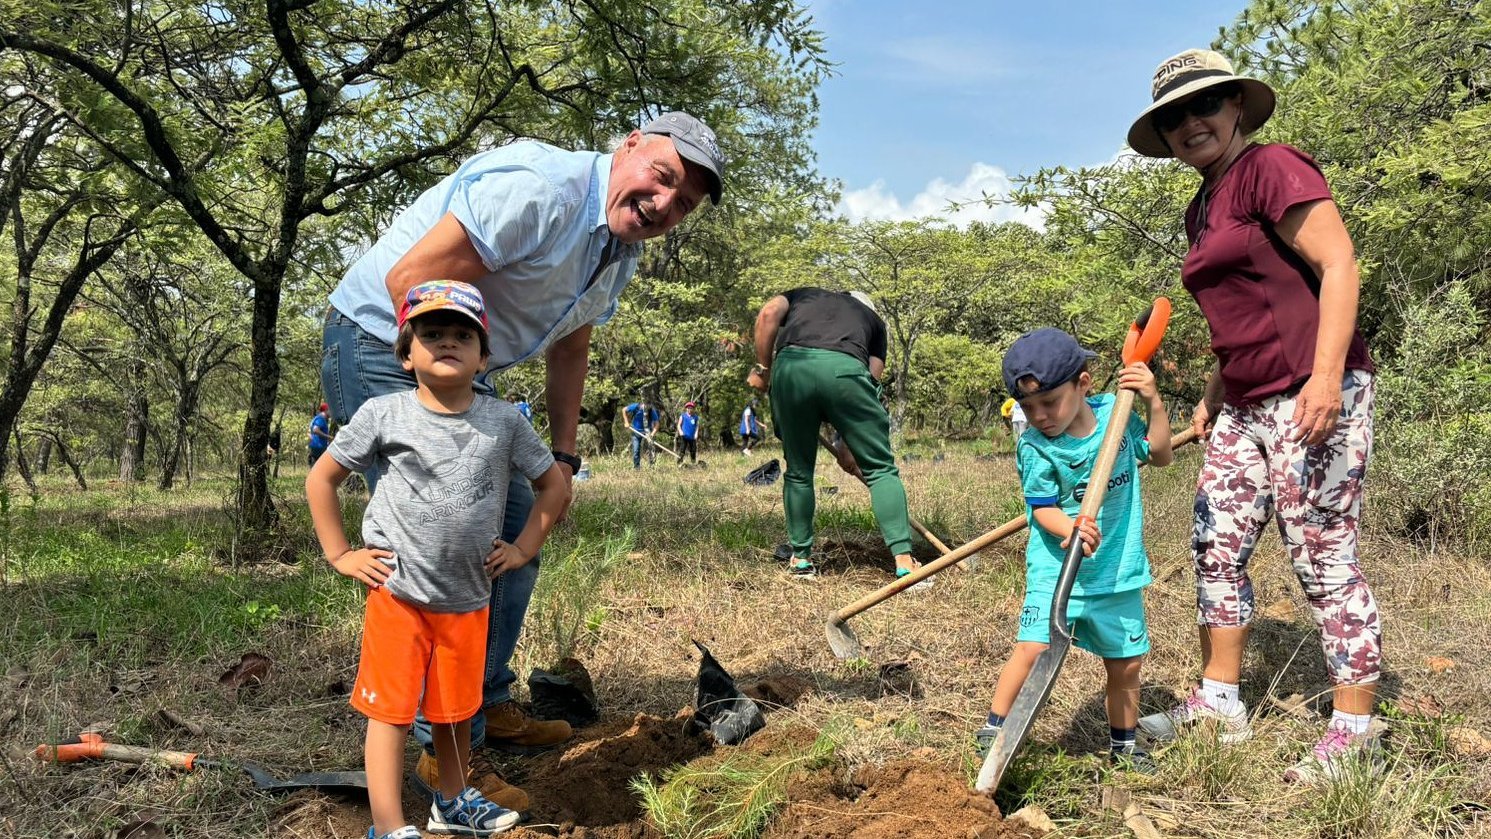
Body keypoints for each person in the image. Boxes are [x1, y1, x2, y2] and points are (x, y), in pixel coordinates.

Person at [321, 112, 724, 802]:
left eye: (683, 204)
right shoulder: (545, 191)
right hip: (384, 342)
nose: (664, 205)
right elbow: (412, 280)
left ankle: (479, 697)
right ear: (628, 147)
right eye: (661, 179)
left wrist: (561, 458)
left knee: (514, 528)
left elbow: (571, 343)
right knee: (446, 540)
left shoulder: (616, 251)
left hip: (463, 367)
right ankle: (446, 753)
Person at [1127, 49, 1381, 784]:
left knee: (1320, 553)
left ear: (1236, 105)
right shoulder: (1199, 205)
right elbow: (1236, 315)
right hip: (1242, 402)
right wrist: (1211, 396)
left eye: (1202, 105)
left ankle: (1355, 730)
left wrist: (1326, 378)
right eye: (1171, 117)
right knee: (1214, 543)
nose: (1188, 124)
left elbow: (1338, 264)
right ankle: (1219, 701)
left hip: (1311, 390)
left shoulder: (1272, 166)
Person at [307, 281, 568, 839]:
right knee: (393, 713)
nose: (447, 342)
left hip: (468, 597)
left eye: (461, 334)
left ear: (484, 355)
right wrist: (340, 553)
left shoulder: (504, 422)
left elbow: (554, 486)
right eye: (431, 334)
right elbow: (322, 479)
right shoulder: (384, 414)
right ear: (406, 353)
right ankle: (387, 825)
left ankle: (451, 801)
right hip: (399, 593)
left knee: (454, 712)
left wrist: (524, 547)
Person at [972, 329, 1174, 771]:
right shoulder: (1036, 447)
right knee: (1033, 648)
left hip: (1117, 573)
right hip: (1056, 570)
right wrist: (1072, 525)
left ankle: (1124, 746)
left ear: (1084, 384)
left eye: (1049, 403)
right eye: (1028, 407)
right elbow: (1041, 508)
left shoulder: (1116, 418)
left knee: (1126, 664)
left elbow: (1160, 455)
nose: (1040, 416)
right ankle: (994, 729)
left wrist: (1152, 402)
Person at [747, 288, 922, 580]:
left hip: (792, 372)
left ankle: (800, 561)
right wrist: (848, 442)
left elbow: (767, 314)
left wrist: (763, 370)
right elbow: (868, 382)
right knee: (880, 471)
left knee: (799, 472)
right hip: (847, 374)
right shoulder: (875, 324)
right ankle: (905, 562)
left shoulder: (802, 296)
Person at [623, 399, 661, 468]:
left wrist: (652, 434)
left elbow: (657, 424)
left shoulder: (651, 410)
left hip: (647, 432)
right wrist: (626, 422)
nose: (646, 407)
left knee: (651, 450)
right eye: (644, 406)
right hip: (636, 431)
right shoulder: (635, 406)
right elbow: (624, 410)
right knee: (636, 450)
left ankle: (652, 467)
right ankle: (637, 468)